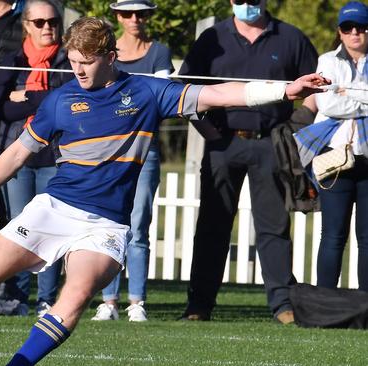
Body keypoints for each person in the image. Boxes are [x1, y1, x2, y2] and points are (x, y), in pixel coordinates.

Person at [0, 16, 326, 365]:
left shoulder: (147, 92)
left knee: (78, 293)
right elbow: (17, 153)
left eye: (86, 62)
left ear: (109, 56)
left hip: (106, 225)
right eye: (72, 61)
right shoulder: (60, 100)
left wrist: (284, 90)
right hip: (55, 209)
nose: (78, 70)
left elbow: (219, 94)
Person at [179, 0, 319, 325]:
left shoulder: (291, 37)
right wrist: (208, 132)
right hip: (222, 144)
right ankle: (199, 306)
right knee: (212, 226)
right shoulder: (212, 38)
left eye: (254, 0)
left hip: (270, 144)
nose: (248, 5)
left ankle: (283, 306)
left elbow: (312, 88)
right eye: (240, 0)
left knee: (274, 228)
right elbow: (185, 89)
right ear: (231, 2)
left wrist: (295, 125)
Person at [91, 0, 173, 323]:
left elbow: (163, 101)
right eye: (127, 13)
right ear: (117, 16)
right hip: (108, 152)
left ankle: (136, 301)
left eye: (140, 13)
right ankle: (108, 301)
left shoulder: (159, 53)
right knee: (111, 225)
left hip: (145, 150)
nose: (134, 19)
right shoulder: (107, 53)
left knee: (138, 225)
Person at [0, 0, 72, 317]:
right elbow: (1, 109)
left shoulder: (68, 62)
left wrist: (24, 96)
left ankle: (47, 299)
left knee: (50, 228)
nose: (47, 27)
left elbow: (65, 105)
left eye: (52, 21)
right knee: (19, 227)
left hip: (55, 155)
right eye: (39, 22)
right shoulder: (12, 59)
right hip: (18, 152)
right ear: (26, 25)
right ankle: (17, 297)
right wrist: (42, 101)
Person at [294, 2, 368, 291]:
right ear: (339, 31)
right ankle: (325, 299)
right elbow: (327, 103)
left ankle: (365, 304)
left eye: (361, 27)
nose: (355, 33)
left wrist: (345, 92)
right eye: (348, 28)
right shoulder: (327, 60)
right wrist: (359, 99)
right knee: (333, 234)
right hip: (334, 157)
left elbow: (339, 100)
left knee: (367, 238)